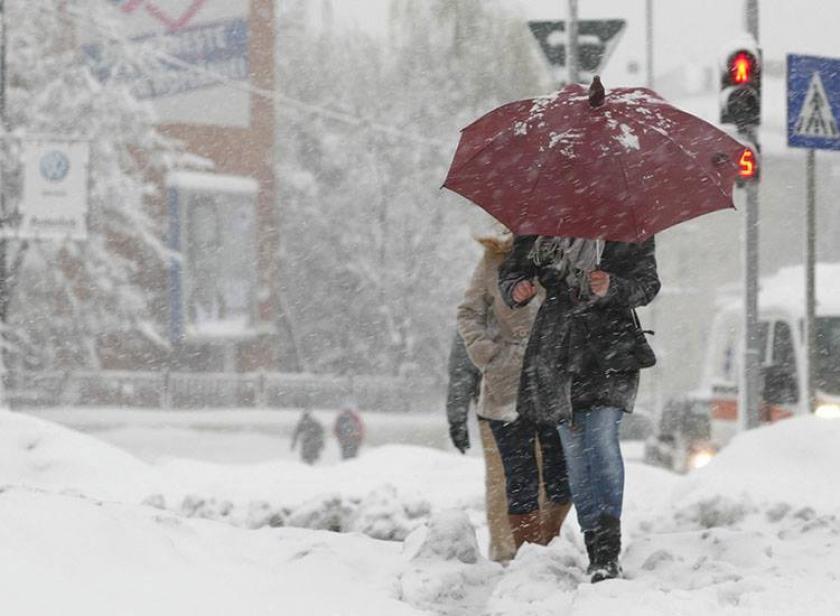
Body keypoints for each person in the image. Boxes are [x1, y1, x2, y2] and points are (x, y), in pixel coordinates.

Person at [499, 235, 660, 583]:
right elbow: (511, 272)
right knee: (575, 451)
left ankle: (608, 547)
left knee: (601, 440)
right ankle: (594, 546)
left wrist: (612, 286)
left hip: (612, 348)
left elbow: (647, 285)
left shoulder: (626, 224)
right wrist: (517, 289)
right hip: (557, 350)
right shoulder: (540, 223)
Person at [456, 225, 572, 556]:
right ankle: (525, 556)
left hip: (556, 380)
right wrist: (488, 353)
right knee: (518, 479)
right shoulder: (497, 257)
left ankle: (548, 544)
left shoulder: (569, 251)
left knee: (561, 477)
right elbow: (468, 313)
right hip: (507, 382)